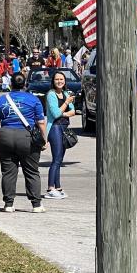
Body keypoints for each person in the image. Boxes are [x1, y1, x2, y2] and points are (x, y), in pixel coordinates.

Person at [0, 73, 48, 213]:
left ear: (11, 84)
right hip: (26, 137)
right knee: (31, 170)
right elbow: (40, 122)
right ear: (25, 84)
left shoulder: (1, 100)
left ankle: (8, 204)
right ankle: (36, 204)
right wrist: (43, 139)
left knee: (8, 172)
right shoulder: (33, 100)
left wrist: (0, 137)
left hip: (6, 135)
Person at [44, 70, 76, 198]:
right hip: (55, 128)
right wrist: (66, 103)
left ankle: (58, 187)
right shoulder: (51, 94)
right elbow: (55, 114)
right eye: (57, 79)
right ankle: (50, 188)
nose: (59, 81)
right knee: (56, 159)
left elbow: (73, 111)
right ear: (53, 81)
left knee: (60, 159)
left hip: (64, 127)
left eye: (61, 79)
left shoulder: (65, 93)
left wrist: (64, 112)